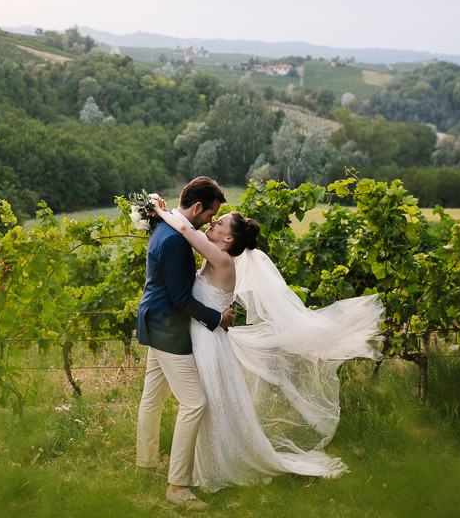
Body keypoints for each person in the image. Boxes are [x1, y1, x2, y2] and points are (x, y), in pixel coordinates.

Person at [150, 197, 384, 493]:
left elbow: (184, 229)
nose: (213, 222)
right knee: (209, 405)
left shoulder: (221, 259)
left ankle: (212, 468)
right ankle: (201, 466)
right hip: (205, 336)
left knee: (208, 403)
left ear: (229, 239)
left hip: (209, 342)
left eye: (219, 222)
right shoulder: (214, 257)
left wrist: (160, 210)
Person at [135, 177, 235, 511]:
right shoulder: (177, 241)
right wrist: (217, 318)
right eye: (211, 214)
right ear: (196, 207)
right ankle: (177, 487)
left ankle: (145, 465)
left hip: (152, 319)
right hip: (167, 328)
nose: (210, 220)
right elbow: (180, 298)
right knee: (195, 404)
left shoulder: (164, 229)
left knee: (153, 397)